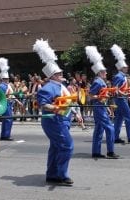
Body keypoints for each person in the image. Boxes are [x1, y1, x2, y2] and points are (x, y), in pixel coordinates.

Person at [34, 39, 82, 186]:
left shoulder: (62, 86)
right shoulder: (47, 88)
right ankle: (62, 174)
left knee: (56, 147)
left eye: (60, 72)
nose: (61, 73)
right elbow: (42, 105)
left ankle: (52, 174)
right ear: (52, 76)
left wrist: (76, 113)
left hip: (63, 120)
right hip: (54, 121)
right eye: (58, 72)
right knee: (67, 146)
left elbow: (68, 101)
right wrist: (54, 107)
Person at [85, 46, 120, 159]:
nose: (106, 72)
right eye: (104, 71)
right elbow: (90, 96)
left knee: (99, 130)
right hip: (99, 107)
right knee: (110, 128)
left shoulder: (102, 82)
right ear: (99, 73)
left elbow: (102, 96)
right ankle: (110, 151)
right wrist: (100, 96)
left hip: (101, 107)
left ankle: (96, 152)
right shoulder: (98, 82)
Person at [110, 44, 130, 144]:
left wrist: (128, 95)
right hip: (120, 99)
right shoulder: (119, 76)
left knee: (119, 119)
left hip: (122, 98)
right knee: (129, 116)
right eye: (125, 67)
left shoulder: (123, 76)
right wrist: (125, 95)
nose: (127, 68)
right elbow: (116, 89)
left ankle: (115, 137)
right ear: (122, 68)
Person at [0, 57, 20, 140]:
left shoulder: (8, 85)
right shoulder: (1, 86)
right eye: (5, 79)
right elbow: (0, 96)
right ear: (2, 79)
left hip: (9, 103)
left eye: (7, 78)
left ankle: (5, 135)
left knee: (8, 119)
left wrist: (18, 101)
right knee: (8, 119)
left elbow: (12, 95)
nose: (7, 80)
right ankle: (5, 135)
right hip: (5, 103)